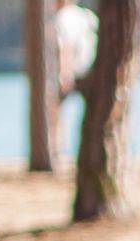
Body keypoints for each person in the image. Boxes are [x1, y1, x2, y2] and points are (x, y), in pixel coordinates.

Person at [53, 0, 98, 154]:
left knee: (55, 111)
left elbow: (65, 46)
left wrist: (65, 74)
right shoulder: (87, 15)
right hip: (91, 70)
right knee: (92, 113)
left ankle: (57, 149)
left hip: (73, 71)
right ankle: (92, 150)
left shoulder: (63, 17)